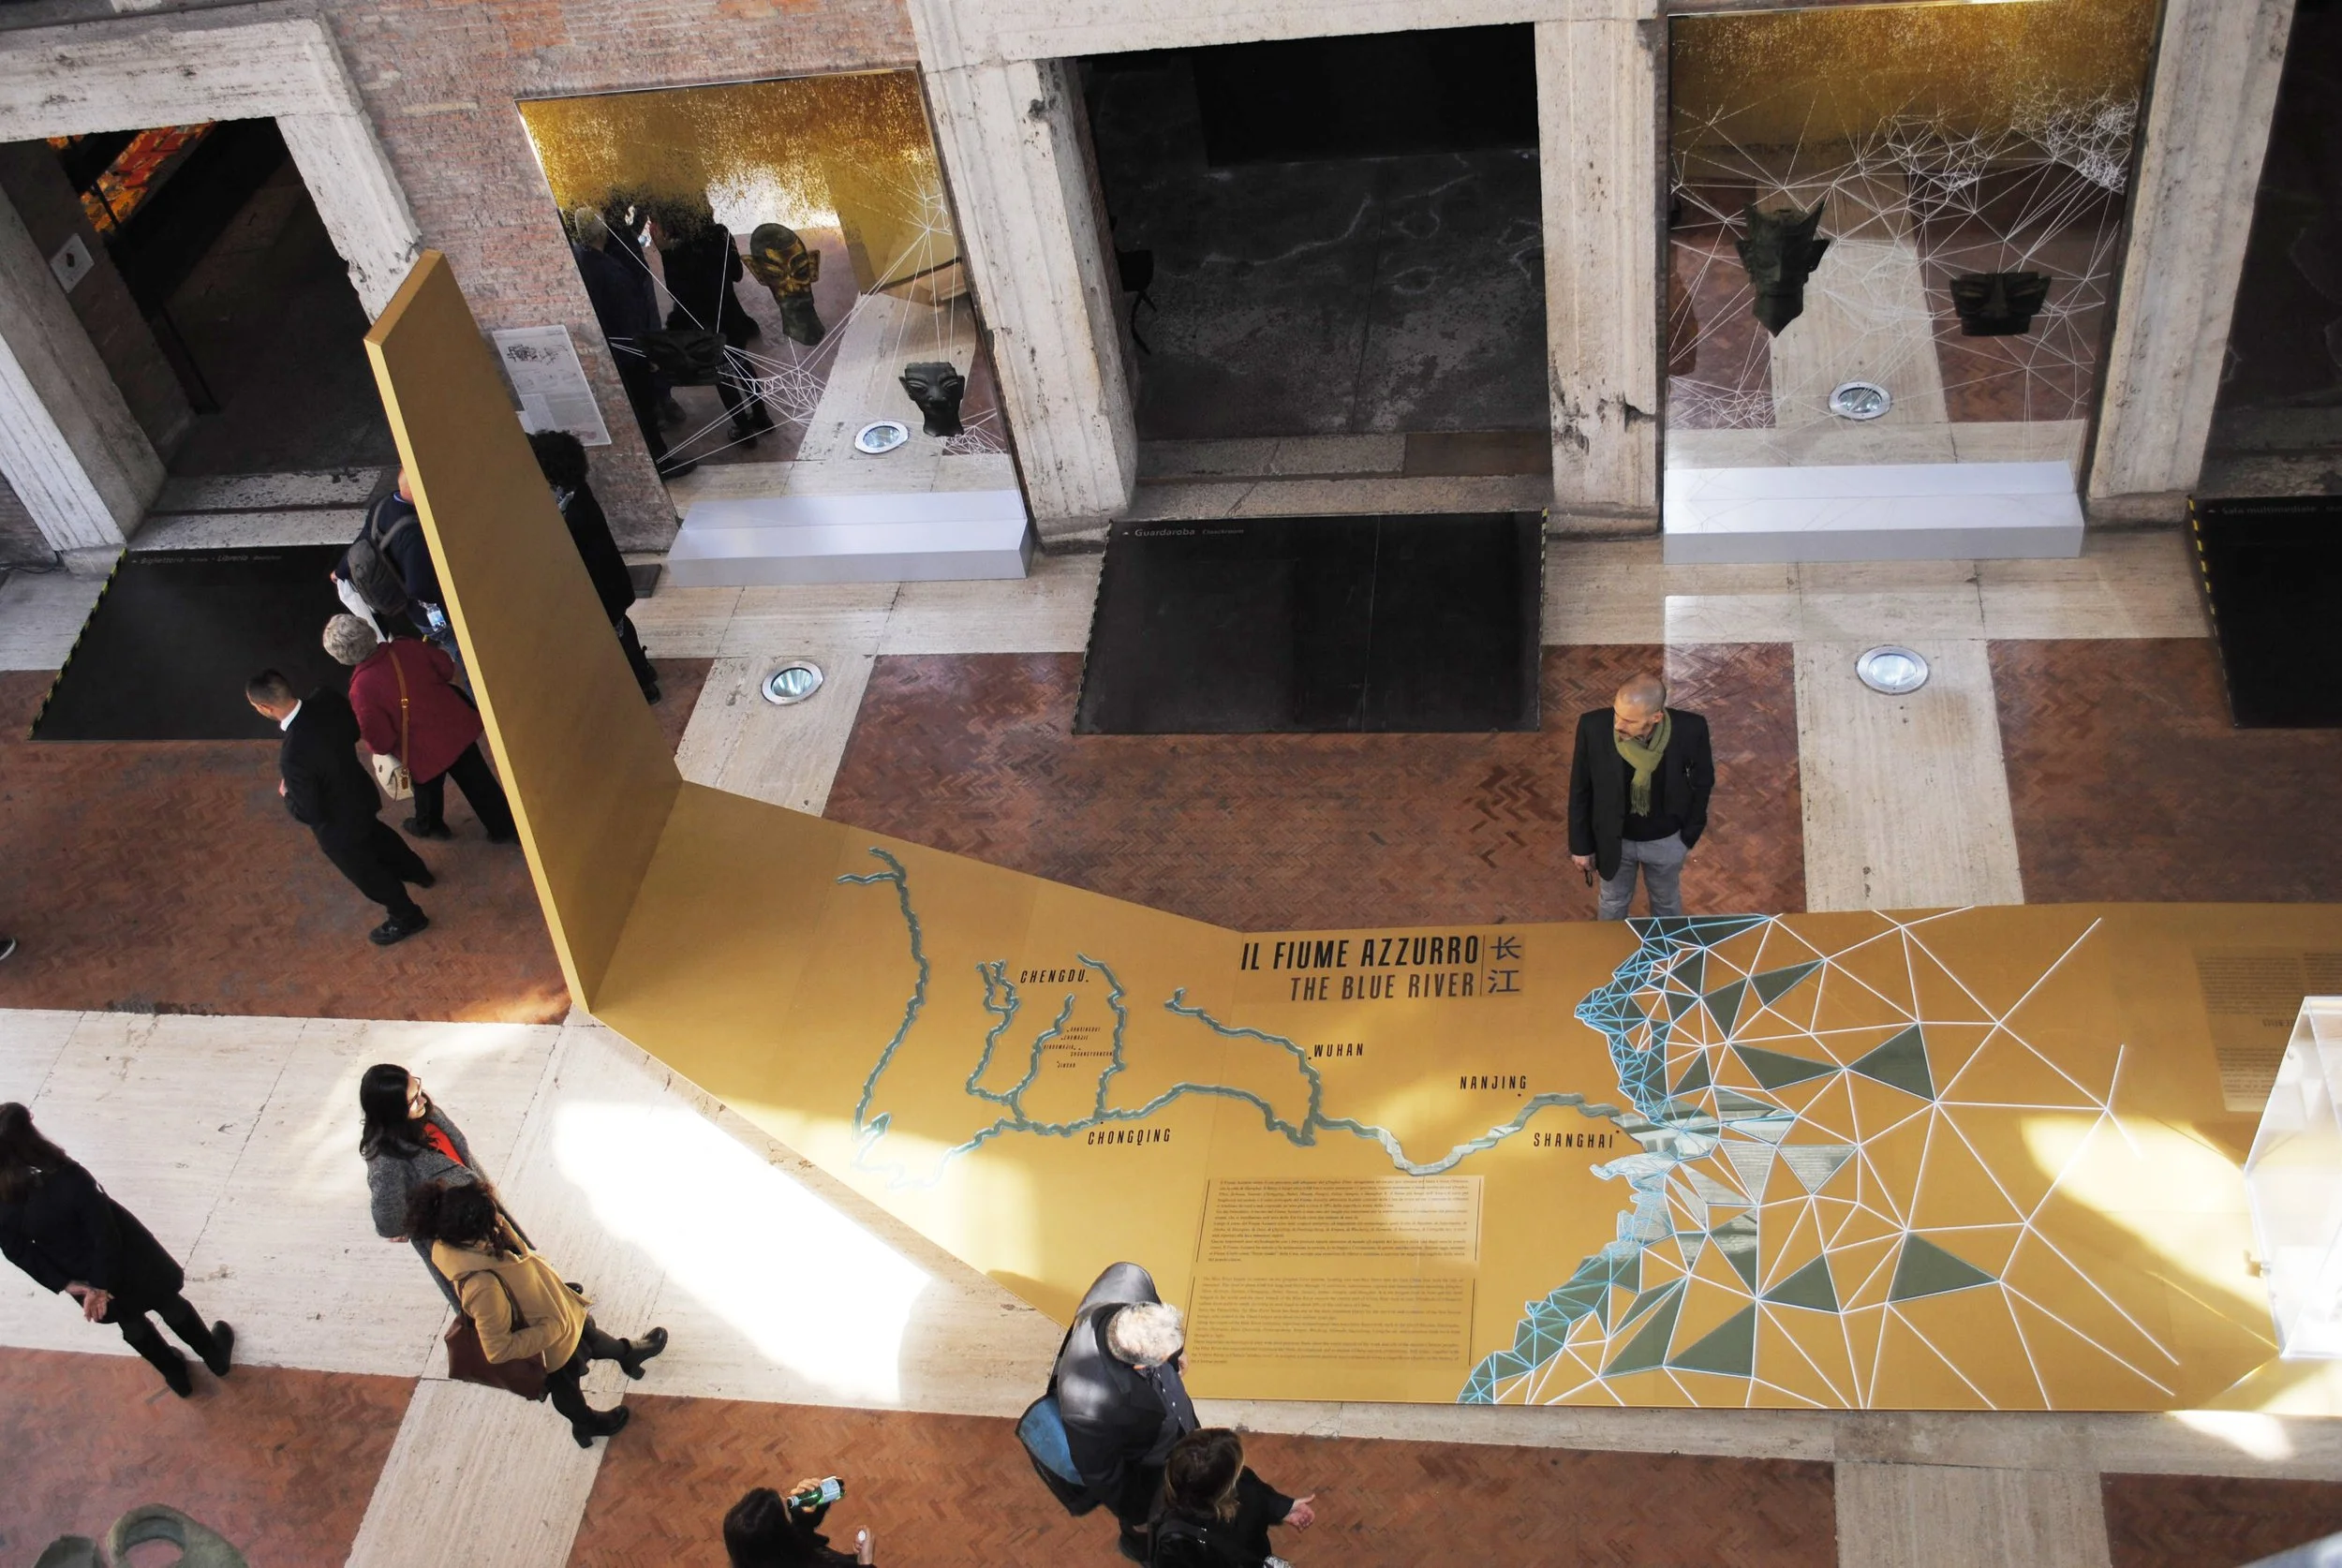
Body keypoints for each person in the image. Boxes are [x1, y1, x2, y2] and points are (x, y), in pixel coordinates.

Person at [405, 1178, 667, 1447]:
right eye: (491, 1214)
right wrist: (552, 1330)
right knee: (567, 1385)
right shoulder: (482, 1286)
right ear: (474, 1229)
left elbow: (520, 1268)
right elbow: (497, 1349)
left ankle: (629, 1354)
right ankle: (584, 1424)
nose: (498, 1216)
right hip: (548, 1343)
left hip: (557, 1310)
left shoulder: (477, 1240)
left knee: (590, 1337)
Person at [0, 1102, 234, 1398]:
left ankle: (176, 1375)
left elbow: (14, 1249)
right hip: (130, 1258)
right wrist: (101, 1284)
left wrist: (68, 1283)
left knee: (129, 1320)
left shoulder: (5, 1196)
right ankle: (215, 1357)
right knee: (167, 1301)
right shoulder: (68, 1177)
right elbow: (105, 1233)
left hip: (77, 1271)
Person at [246, 668, 434, 946]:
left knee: (367, 873)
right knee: (379, 836)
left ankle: (406, 916)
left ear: (264, 707)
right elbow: (352, 731)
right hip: (360, 795)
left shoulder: (293, 756)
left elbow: (309, 811)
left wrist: (287, 795)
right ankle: (418, 872)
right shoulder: (327, 699)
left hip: (338, 826)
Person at [325, 614, 517, 844]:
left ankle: (430, 825)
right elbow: (446, 668)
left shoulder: (361, 689)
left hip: (420, 752)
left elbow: (380, 740)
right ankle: (503, 827)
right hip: (455, 728)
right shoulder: (405, 647)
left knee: (427, 792)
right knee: (479, 781)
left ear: (342, 656)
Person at [1055, 1262, 1200, 1562]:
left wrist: (1177, 1348)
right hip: (1148, 1462)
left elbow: (1153, 1303)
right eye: (1164, 1358)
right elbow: (1101, 1472)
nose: (1171, 1360)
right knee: (1151, 1519)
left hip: (1176, 1425)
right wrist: (1137, 1514)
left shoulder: (1128, 1279)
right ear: (1140, 1366)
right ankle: (1139, 1545)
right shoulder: (1087, 1403)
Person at [526, 430, 661, 703]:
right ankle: (643, 676)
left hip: (601, 590)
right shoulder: (575, 490)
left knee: (617, 635)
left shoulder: (572, 513)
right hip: (609, 585)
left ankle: (641, 683)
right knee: (621, 630)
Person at [1567, 673, 1714, 921]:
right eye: (1616, 714)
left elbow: (1703, 782)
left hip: (1666, 841)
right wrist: (1581, 845)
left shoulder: (1691, 729)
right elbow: (1580, 787)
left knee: (1666, 903)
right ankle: (1612, 955)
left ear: (1655, 718)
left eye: (1628, 720)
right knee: (1612, 902)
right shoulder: (1592, 726)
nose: (1617, 725)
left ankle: (1668, 954)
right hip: (1614, 841)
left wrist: (1688, 835)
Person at [360, 1063, 505, 1312]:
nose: (422, 1100)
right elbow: (387, 1215)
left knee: (524, 1277)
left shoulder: (427, 1114)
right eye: (412, 1100)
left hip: (484, 1211)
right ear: (391, 1111)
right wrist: (402, 1225)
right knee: (496, 1304)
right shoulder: (387, 1160)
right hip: (459, 1239)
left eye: (418, 1088)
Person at [571, 207, 695, 479]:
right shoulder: (610, 271)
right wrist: (647, 353)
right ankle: (661, 462)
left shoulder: (582, 261)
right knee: (644, 408)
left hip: (614, 349)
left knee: (640, 407)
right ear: (604, 231)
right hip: (629, 352)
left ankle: (657, 456)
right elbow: (631, 316)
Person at [657, 203, 773, 448]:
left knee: (723, 375)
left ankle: (744, 430)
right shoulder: (720, 233)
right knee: (742, 364)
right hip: (731, 314)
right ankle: (761, 416)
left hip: (706, 323)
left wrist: (666, 254)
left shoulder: (679, 248)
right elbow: (736, 274)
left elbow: (678, 293)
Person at [333, 470, 460, 672]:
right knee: (466, 657)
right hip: (437, 617)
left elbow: (364, 540)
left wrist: (340, 571)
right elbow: (419, 588)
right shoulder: (414, 535)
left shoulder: (385, 503)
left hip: (420, 616)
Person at [1149, 1428, 1314, 1568]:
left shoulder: (1225, 1473)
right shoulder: (1174, 1537)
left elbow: (1257, 1490)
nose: (1241, 1470)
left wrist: (1284, 1508)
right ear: (1222, 1488)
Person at [723, 1483, 877, 1567]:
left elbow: (802, 1534)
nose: (794, 1503)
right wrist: (865, 1561)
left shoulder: (770, 1554)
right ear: (782, 1535)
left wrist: (811, 1511)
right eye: (789, 1510)